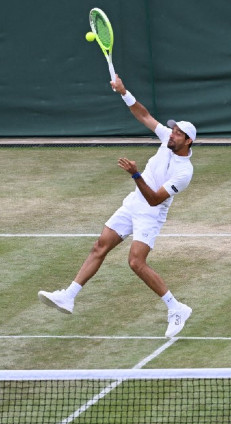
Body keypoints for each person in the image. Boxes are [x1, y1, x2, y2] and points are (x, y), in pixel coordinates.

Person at [38, 73, 197, 338]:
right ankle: (69, 296)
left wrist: (135, 174)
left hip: (150, 213)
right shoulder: (167, 139)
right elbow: (144, 115)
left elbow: (155, 199)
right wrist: (124, 92)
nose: (172, 134)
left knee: (136, 262)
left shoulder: (185, 172)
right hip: (133, 203)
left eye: (178, 133)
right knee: (100, 245)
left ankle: (176, 307)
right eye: (174, 130)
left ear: (187, 141)